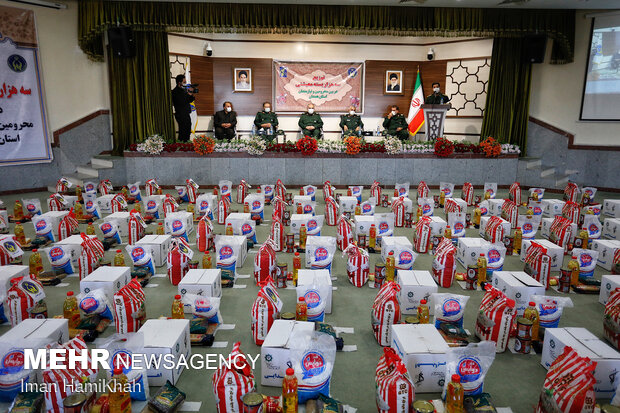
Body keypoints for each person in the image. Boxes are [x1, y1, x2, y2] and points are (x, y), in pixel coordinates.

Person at [171, 74, 195, 142]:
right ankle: (181, 144)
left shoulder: (184, 91)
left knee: (188, 129)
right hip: (180, 114)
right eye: (184, 82)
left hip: (186, 113)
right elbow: (180, 101)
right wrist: (187, 94)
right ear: (179, 82)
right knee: (182, 130)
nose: (185, 83)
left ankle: (186, 143)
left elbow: (190, 100)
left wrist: (190, 93)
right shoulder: (175, 91)